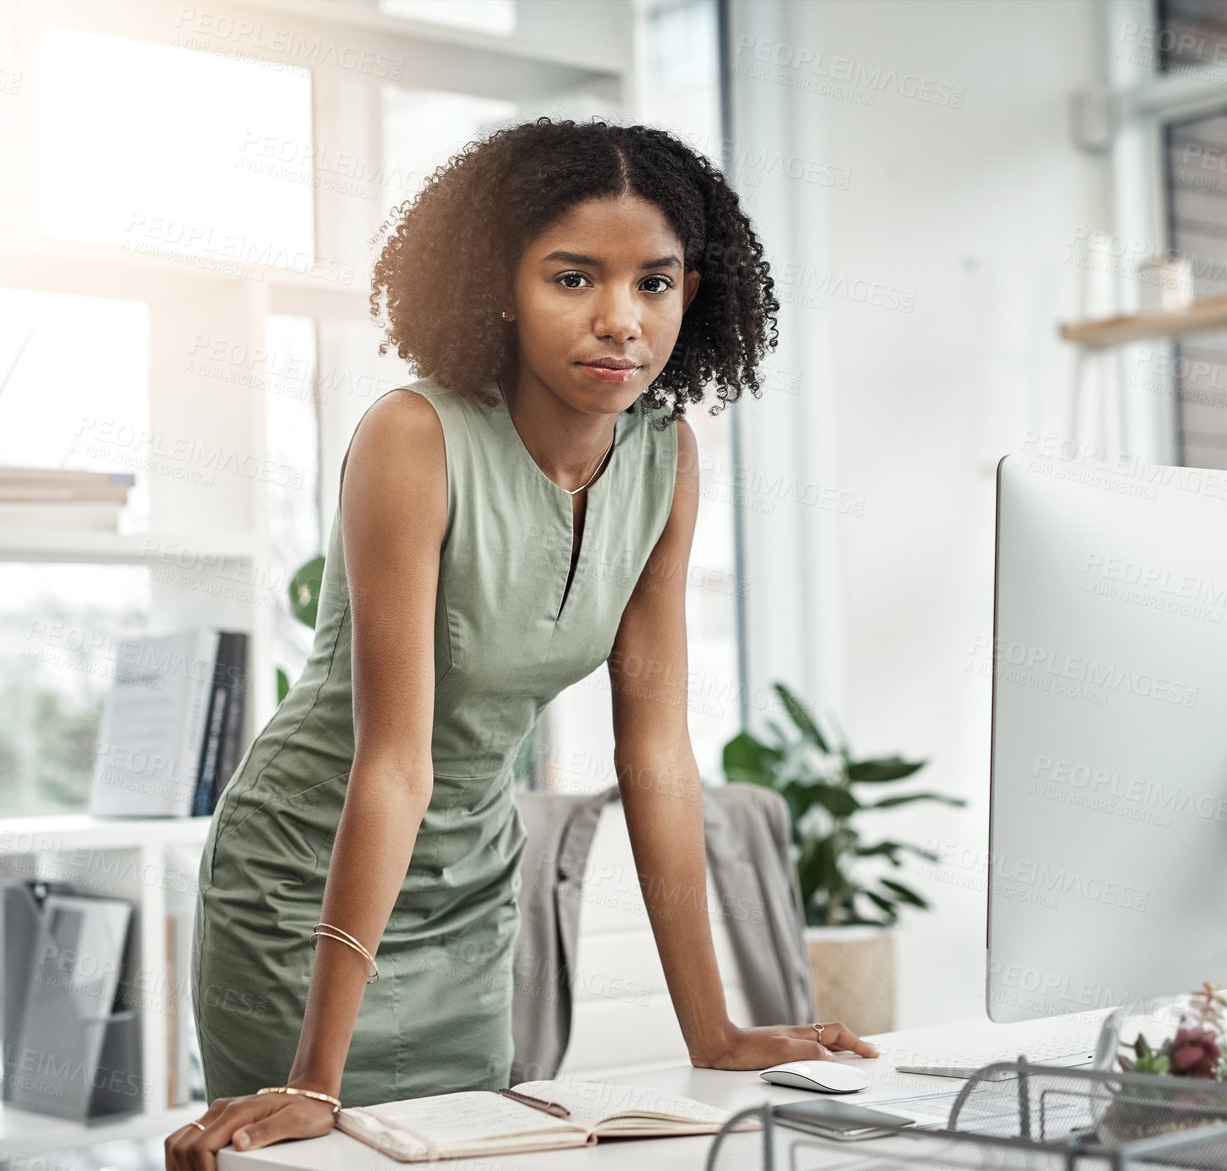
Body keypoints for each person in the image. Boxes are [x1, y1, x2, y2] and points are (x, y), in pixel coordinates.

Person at [165, 118, 878, 1168]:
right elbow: (395, 759)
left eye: (654, 283)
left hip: (468, 893)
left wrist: (713, 1032)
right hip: (306, 888)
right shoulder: (414, 437)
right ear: (499, 283)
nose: (619, 321)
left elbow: (657, 757)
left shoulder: (664, 459)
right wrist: (313, 1074)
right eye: (573, 277)